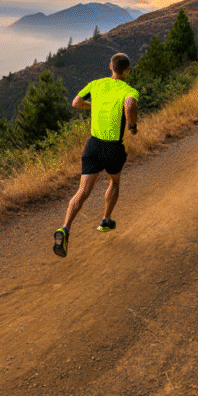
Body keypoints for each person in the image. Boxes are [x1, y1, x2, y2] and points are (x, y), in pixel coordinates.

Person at [53, 52, 139, 258]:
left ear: (111, 67)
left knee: (82, 192)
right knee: (114, 182)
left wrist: (94, 106)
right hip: (113, 148)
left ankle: (65, 228)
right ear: (127, 71)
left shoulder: (95, 83)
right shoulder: (130, 91)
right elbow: (129, 105)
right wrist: (132, 126)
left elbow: (75, 103)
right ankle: (105, 220)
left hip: (93, 146)